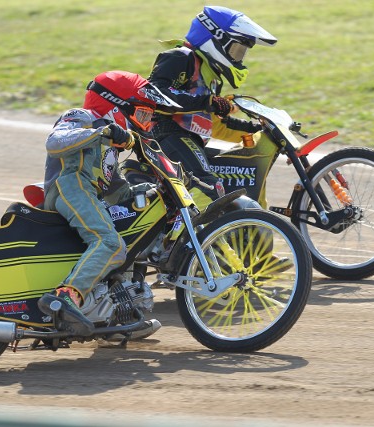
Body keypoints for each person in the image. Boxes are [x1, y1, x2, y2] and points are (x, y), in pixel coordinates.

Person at [37, 70, 178, 339]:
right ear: (116, 106)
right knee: (110, 243)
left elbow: (119, 192)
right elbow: (54, 142)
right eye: (143, 114)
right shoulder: (82, 117)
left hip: (86, 193)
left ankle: (114, 314)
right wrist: (101, 130)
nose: (145, 122)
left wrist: (158, 193)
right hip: (70, 186)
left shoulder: (110, 150)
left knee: (134, 231)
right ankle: (66, 297)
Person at [148, 5, 278, 209]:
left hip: (192, 140)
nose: (239, 58)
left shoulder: (212, 77)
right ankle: (200, 238)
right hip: (164, 134)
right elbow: (154, 94)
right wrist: (206, 102)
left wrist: (259, 129)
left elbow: (215, 125)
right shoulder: (180, 57)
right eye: (237, 50)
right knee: (208, 187)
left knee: (239, 169)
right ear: (215, 38)